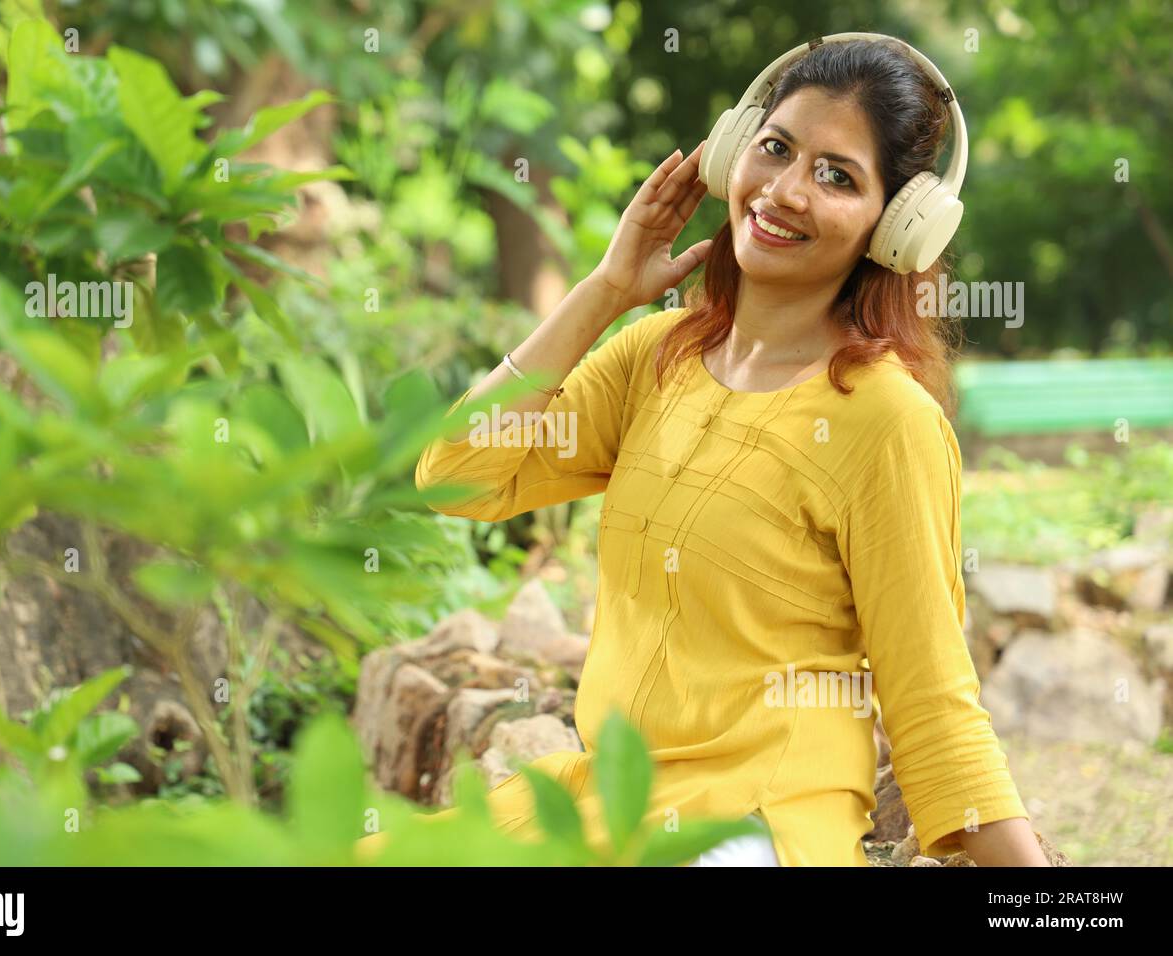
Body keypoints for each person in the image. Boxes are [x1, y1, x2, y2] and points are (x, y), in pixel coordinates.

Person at [368, 36, 1048, 867]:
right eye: (776, 149)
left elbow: (933, 703)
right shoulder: (657, 358)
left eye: (839, 176)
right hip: (605, 797)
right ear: (734, 152)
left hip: (755, 824)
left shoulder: (887, 422)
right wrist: (607, 290)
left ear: (898, 229)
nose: (787, 191)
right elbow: (458, 476)